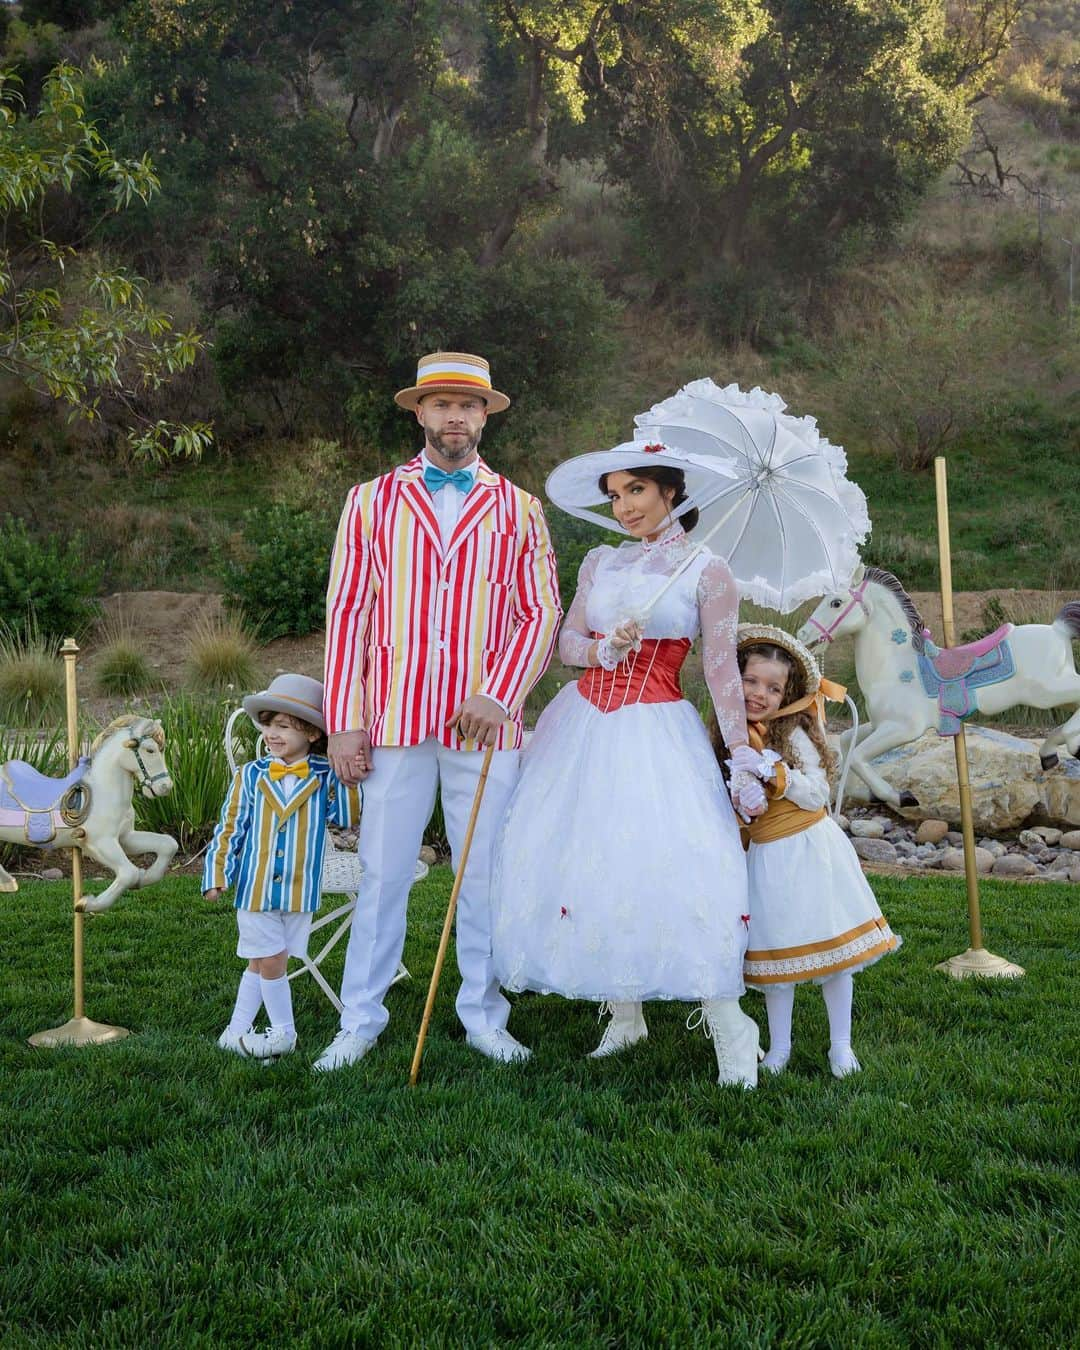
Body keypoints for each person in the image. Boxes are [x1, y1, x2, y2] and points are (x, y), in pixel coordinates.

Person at [316, 351, 562, 1071]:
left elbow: (540, 612)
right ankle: (359, 1018)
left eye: (468, 406)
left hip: (485, 725)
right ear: (418, 412)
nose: (455, 417)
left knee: (482, 873)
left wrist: (499, 692)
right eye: (441, 404)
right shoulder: (369, 501)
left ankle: (484, 1015)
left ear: (485, 416)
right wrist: (346, 720)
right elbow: (348, 613)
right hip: (392, 720)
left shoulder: (519, 508)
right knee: (384, 872)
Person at [490, 442, 763, 1088]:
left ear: (672, 491)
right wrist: (603, 648)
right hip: (586, 724)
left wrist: (743, 754)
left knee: (674, 866)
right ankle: (625, 1012)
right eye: (614, 495)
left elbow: (721, 670)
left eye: (636, 490)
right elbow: (565, 643)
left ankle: (730, 1025)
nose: (623, 506)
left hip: (658, 728)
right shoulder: (601, 562)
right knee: (597, 864)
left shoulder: (708, 569)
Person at [715, 624, 901, 1078]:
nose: (760, 694)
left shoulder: (792, 733)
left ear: (788, 693)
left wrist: (777, 776)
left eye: (773, 688)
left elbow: (817, 794)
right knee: (778, 946)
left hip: (809, 849)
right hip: (767, 857)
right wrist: (743, 799)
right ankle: (780, 1048)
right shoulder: (728, 736)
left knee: (831, 948)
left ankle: (841, 1045)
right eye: (751, 681)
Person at [203, 673, 361, 1059]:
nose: (271, 734)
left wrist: (350, 778)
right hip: (255, 887)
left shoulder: (324, 776)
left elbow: (346, 817)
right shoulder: (250, 775)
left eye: (283, 726)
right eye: (268, 725)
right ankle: (284, 1033)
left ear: (311, 734)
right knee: (273, 959)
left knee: (264, 960)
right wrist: (217, 872)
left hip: (299, 889)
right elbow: (230, 828)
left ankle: (235, 1031)